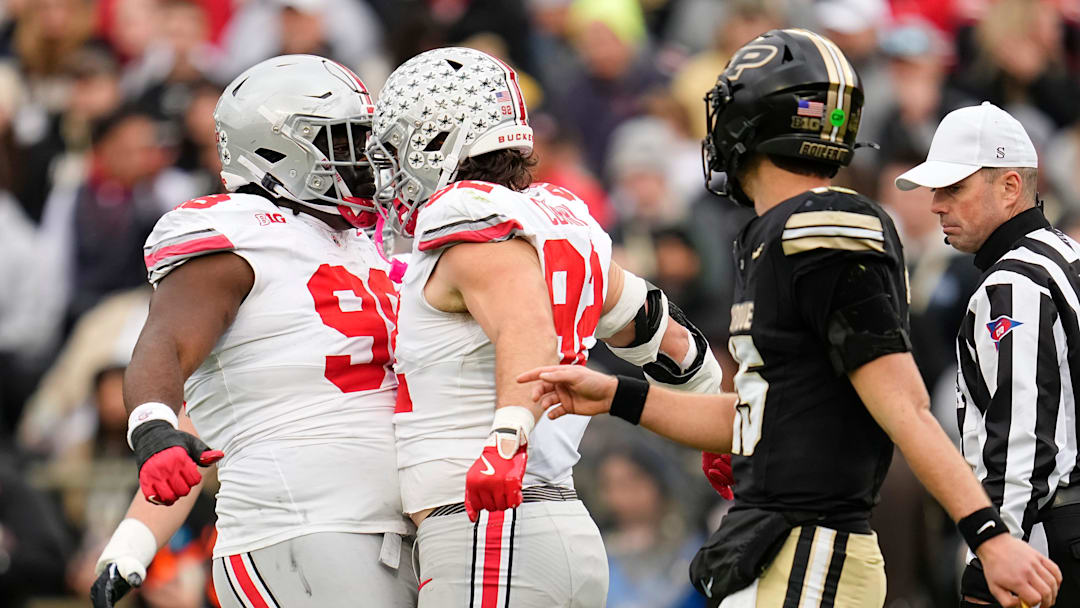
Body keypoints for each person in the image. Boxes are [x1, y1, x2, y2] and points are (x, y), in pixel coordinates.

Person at [518, 29, 1062, 608]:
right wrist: (614, 396)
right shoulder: (778, 232)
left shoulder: (821, 228)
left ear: (753, 122)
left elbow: (904, 405)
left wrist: (988, 536)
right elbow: (762, 417)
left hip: (811, 547)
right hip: (781, 543)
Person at [366, 46, 727, 607]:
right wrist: (710, 421)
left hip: (490, 527)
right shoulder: (554, 220)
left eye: (400, 143)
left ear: (440, 138)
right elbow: (669, 339)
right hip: (559, 525)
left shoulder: (466, 224)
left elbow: (524, 326)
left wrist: (506, 439)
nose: (392, 167)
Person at [89, 54, 415, 608]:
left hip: (401, 524)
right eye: (346, 142)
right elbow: (165, 341)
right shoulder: (236, 233)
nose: (367, 159)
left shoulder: (372, 246)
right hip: (300, 526)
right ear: (277, 149)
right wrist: (151, 433)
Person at [895, 101, 1080, 607]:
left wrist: (994, 554)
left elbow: (1023, 438)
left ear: (1010, 187)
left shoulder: (1016, 281)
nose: (935, 204)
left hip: (1048, 546)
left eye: (953, 188)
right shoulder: (1064, 254)